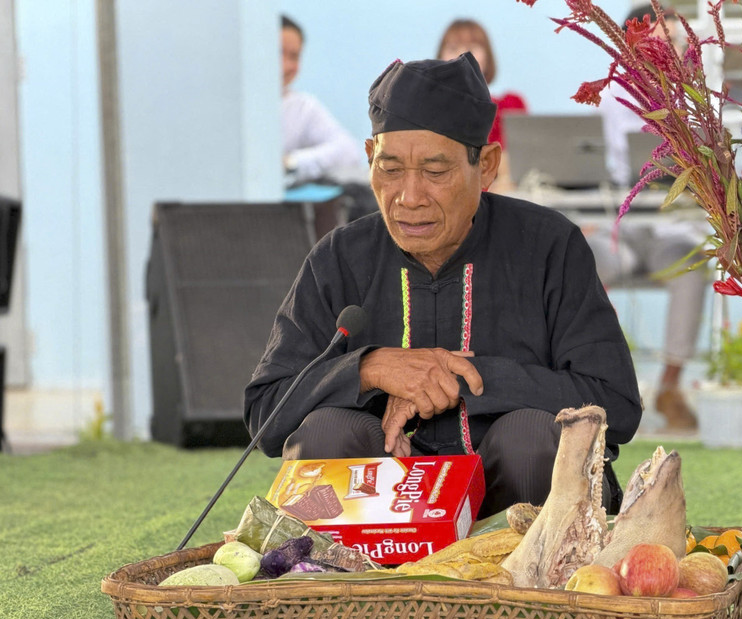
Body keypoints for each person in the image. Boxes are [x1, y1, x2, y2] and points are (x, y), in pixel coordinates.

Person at [244, 53, 642, 518]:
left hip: (517, 519)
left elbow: (615, 403)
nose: (409, 197)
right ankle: (348, 571)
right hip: (383, 518)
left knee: (530, 441)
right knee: (326, 435)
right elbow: (266, 412)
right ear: (370, 157)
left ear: (486, 166)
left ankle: (526, 572)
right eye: (390, 169)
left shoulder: (548, 246)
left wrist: (467, 378)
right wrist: (368, 368)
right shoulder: (340, 257)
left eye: (435, 172)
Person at [590, 3, 711, 430]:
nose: (668, 52)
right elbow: (590, 165)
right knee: (581, 261)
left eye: (674, 43)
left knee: (692, 268)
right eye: (659, 43)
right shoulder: (607, 98)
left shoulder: (697, 102)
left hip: (671, 230)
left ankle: (669, 387)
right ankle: (600, 378)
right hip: (618, 228)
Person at [436, 19, 527, 189]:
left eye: (471, 49)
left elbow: (519, 166)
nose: (462, 56)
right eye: (453, 48)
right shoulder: (428, 110)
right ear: (440, 58)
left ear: (487, 57)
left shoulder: (510, 105)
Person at [281, 15, 362, 186]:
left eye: (294, 56)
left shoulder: (302, 107)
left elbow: (348, 152)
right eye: (278, 53)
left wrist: (291, 163)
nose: (285, 65)